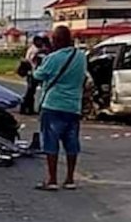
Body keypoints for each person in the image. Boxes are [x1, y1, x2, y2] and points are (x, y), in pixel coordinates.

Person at [33, 25, 87, 191]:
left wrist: (36, 65)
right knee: (71, 143)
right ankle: (70, 179)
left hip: (53, 106)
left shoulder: (53, 58)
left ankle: (52, 180)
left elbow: (38, 75)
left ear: (56, 41)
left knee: (51, 143)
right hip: (73, 107)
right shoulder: (81, 57)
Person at [20, 35, 50, 115]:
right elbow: (31, 60)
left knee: (32, 92)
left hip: (37, 72)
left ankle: (30, 108)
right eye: (39, 41)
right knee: (30, 92)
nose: (41, 43)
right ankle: (25, 108)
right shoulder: (33, 50)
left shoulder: (38, 49)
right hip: (32, 72)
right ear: (35, 41)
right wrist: (39, 53)